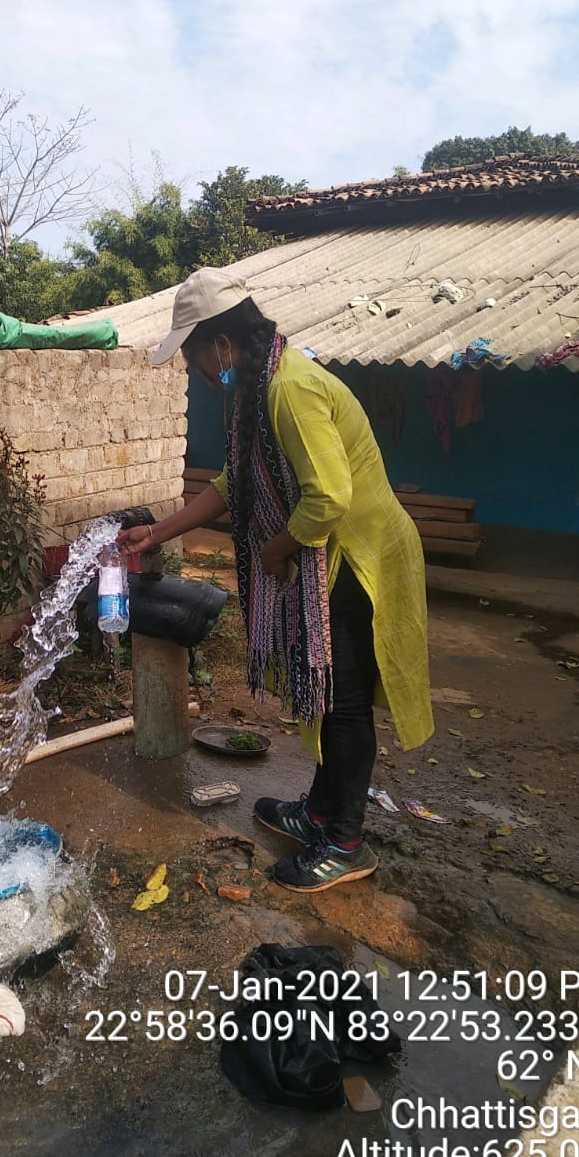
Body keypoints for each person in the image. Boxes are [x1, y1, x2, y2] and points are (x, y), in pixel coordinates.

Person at [118, 267, 433, 893]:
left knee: (343, 703)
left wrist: (274, 549)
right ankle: (319, 811)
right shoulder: (258, 391)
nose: (194, 371)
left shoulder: (291, 390)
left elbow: (329, 498)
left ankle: (345, 842)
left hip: (357, 557)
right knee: (328, 696)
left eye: (193, 355)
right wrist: (158, 532)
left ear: (222, 345)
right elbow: (233, 484)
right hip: (327, 554)